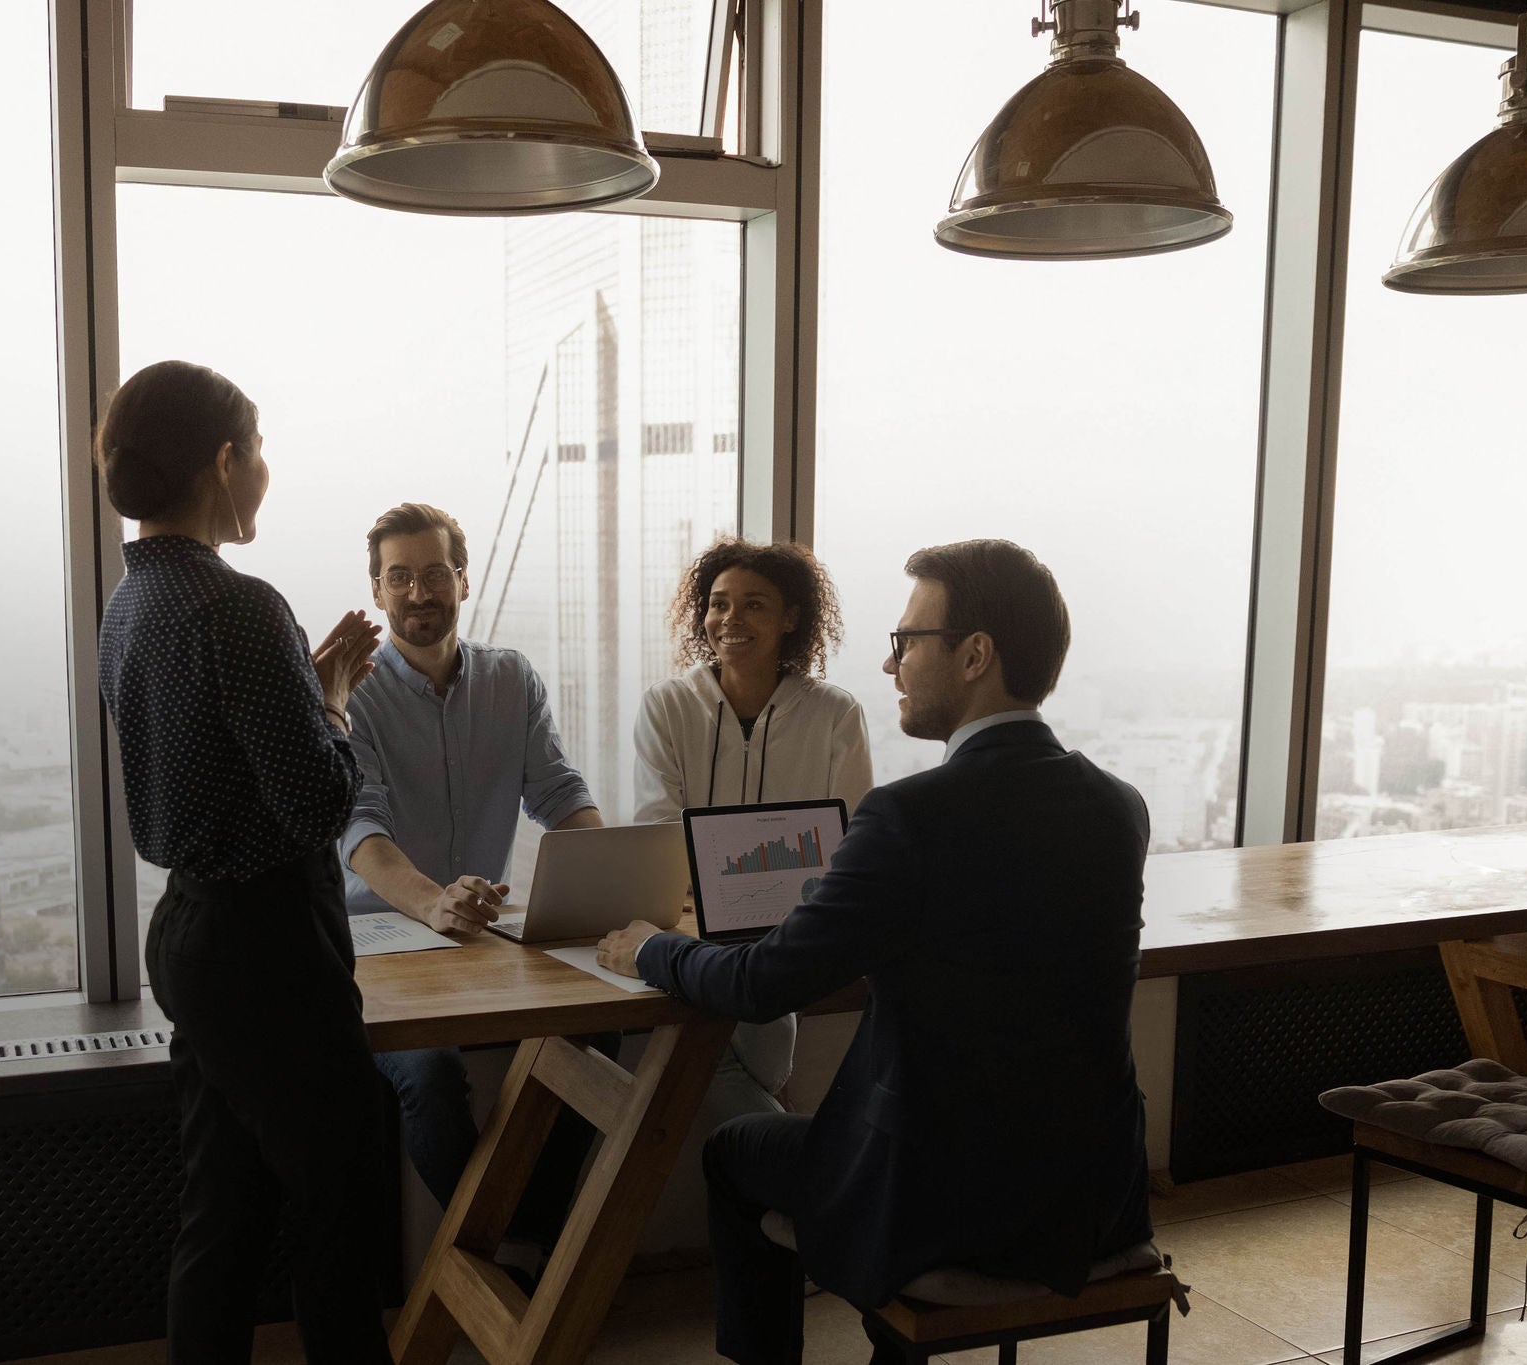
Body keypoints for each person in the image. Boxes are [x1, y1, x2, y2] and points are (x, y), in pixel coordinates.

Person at [598, 539, 1153, 1365]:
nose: (891, 665)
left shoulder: (907, 819)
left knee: (735, 1152)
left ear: (974, 655)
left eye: (906, 642)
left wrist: (647, 949)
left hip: (939, 1202)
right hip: (1091, 1198)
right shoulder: (1120, 807)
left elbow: (758, 982)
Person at [94, 360, 390, 1364]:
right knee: (345, 1196)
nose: (263, 472)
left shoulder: (129, 604)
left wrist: (303, 689)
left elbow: (209, 758)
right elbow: (313, 803)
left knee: (222, 1204)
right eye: (257, 451)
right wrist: (336, 701)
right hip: (268, 943)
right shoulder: (238, 605)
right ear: (223, 461)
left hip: (191, 933)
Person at [340, 501, 612, 1274]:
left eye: (434, 574)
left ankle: (521, 1238)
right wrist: (431, 901)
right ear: (377, 589)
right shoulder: (350, 693)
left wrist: (617, 869)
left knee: (593, 1029)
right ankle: (489, 1252)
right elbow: (359, 831)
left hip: (478, 941)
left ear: (463, 579)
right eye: (400, 578)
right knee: (429, 1070)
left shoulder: (509, 678)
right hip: (381, 945)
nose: (419, 593)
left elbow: (557, 791)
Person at [633, 537, 872, 1113]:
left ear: (791, 618)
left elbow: (852, 841)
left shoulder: (835, 714)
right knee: (747, 1061)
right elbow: (658, 828)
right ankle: (781, 1170)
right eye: (718, 603)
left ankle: (771, 1171)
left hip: (791, 928)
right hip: (691, 929)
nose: (729, 619)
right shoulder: (667, 705)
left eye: (754, 604)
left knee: (745, 1053)